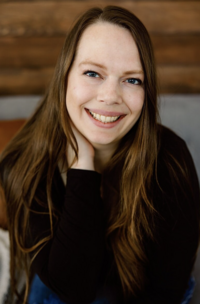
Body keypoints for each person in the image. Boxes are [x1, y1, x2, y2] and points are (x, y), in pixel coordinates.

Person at [0, 5, 199, 304]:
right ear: (65, 77)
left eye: (132, 79)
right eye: (93, 73)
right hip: (61, 283)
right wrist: (83, 166)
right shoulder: (22, 163)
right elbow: (71, 289)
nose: (109, 96)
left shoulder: (170, 161)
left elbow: (165, 292)